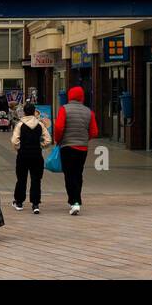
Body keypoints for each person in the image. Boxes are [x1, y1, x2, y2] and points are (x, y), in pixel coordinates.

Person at [53, 85, 99, 215]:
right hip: (82, 148)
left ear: (70, 96)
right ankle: (76, 200)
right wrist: (85, 138)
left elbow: (58, 127)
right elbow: (94, 131)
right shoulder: (88, 112)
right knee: (78, 174)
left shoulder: (64, 109)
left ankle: (74, 201)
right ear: (82, 97)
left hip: (67, 147)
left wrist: (58, 140)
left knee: (69, 174)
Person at [10, 100, 51, 214]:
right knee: (36, 179)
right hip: (37, 155)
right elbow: (48, 140)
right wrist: (41, 146)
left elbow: (14, 141)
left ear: (24, 112)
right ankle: (35, 204)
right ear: (34, 112)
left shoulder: (20, 124)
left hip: (23, 155)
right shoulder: (40, 124)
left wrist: (19, 147)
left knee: (21, 178)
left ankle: (19, 202)